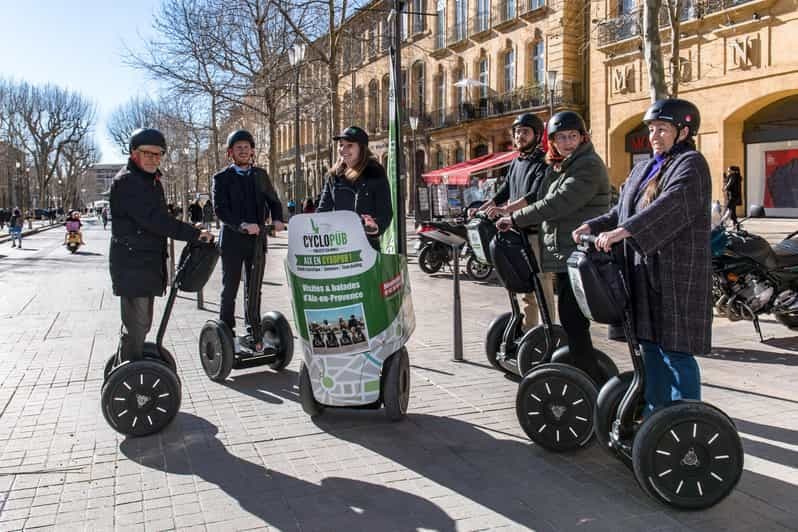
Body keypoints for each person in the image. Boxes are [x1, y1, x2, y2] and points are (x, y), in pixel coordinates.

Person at [573, 98, 710, 415]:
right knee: (649, 347)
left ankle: (688, 418)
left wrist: (625, 232)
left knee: (676, 352)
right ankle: (655, 415)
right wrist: (593, 225)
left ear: (684, 131)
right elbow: (620, 210)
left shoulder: (691, 164)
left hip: (675, 274)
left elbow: (673, 205)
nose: (654, 136)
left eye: (662, 129)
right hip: (641, 271)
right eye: (651, 129)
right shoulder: (644, 167)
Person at [496, 111, 610, 383]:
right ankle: (582, 373)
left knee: (574, 321)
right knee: (572, 321)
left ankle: (588, 379)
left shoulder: (588, 166)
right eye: (561, 137)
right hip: (567, 253)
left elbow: (558, 203)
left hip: (580, 253)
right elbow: (543, 195)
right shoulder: (565, 165)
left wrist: (514, 217)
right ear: (553, 142)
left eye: (573, 136)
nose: (568, 142)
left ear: (583, 137)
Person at [109, 128, 212, 363]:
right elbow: (155, 220)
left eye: (159, 154)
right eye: (148, 154)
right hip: (132, 264)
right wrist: (193, 234)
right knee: (137, 326)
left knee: (141, 325)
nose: (154, 159)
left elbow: (159, 218)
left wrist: (191, 231)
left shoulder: (150, 180)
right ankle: (129, 374)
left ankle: (129, 368)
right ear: (134, 153)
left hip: (145, 263)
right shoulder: (128, 181)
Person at [474, 112, 554, 329]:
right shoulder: (517, 162)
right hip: (516, 231)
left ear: (537, 135)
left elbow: (534, 195)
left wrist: (505, 209)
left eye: (525, 132)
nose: (520, 136)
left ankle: (549, 330)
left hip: (536, 232)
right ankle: (529, 331)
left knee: (541, 284)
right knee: (524, 285)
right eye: (517, 132)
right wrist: (482, 207)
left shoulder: (543, 162)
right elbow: (504, 189)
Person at [213, 129, 285, 351]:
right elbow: (220, 209)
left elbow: (273, 200)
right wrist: (242, 225)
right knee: (230, 288)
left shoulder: (260, 175)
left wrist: (278, 218)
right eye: (238, 148)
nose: (243, 151)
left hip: (256, 242)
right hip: (233, 241)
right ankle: (227, 333)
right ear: (230, 153)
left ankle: (254, 333)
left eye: (246, 147)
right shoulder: (221, 178)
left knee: (254, 289)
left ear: (252, 151)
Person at [317, 126, 392, 250]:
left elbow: (385, 212)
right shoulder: (333, 175)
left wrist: (375, 226)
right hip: (338, 245)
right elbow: (323, 210)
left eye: (350, 145)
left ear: (361, 148)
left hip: (366, 246)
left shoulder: (375, 171)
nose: (343, 149)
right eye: (341, 145)